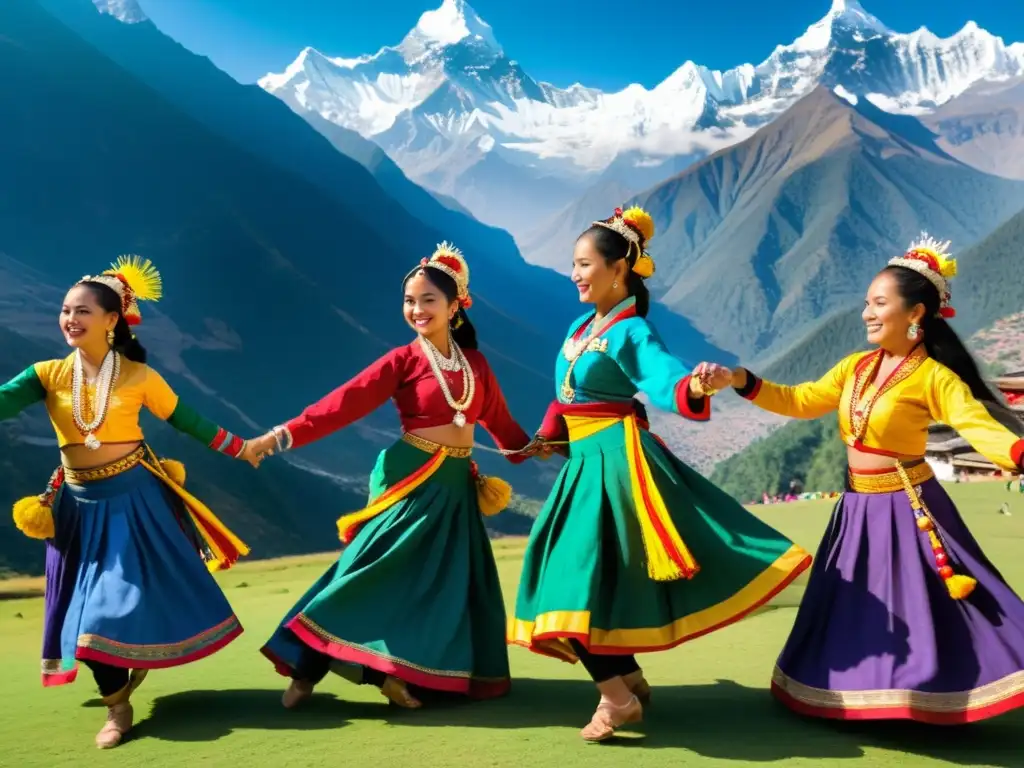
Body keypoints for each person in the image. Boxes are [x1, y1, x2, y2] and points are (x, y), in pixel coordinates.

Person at [509, 206, 813, 742]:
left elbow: (665, 376)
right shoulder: (583, 325)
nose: (575, 273)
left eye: (584, 264)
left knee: (569, 582)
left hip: (617, 468)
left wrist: (694, 386)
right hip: (583, 466)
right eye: (573, 264)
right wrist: (546, 437)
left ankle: (616, 698)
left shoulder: (632, 331)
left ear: (619, 268)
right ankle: (625, 676)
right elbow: (567, 396)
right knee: (591, 579)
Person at [716, 233, 1024, 723]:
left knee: (931, 608)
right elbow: (799, 400)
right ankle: (855, 695)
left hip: (911, 508)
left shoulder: (934, 378)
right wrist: (741, 380)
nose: (867, 313)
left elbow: (976, 425)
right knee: (857, 607)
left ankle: (928, 693)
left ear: (915, 314)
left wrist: (1017, 451)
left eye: (879, 302)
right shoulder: (855, 368)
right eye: (866, 303)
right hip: (856, 508)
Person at [245, 242, 538, 709]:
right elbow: (341, 405)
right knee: (370, 573)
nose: (416, 310)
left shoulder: (476, 365)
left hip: (455, 489)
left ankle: (404, 677)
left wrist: (557, 444)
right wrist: (278, 437)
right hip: (411, 481)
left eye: (427, 300)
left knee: (442, 587)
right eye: (409, 301)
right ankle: (305, 668)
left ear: (455, 306)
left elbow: (504, 429)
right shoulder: (402, 361)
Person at [3, 256, 253, 749]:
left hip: (134, 506)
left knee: (106, 618)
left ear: (111, 320)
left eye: (82, 311)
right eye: (65, 310)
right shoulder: (47, 374)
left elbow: (190, 422)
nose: (69, 319)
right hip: (76, 512)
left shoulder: (139, 377)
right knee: (83, 626)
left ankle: (118, 703)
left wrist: (243, 447)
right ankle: (120, 698)